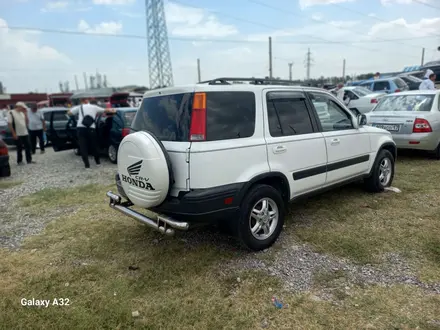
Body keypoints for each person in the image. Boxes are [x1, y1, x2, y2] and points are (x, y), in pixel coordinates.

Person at [68, 99, 116, 169]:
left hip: (81, 128)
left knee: (83, 147)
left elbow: (69, 113)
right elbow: (106, 110)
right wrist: (114, 110)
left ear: (82, 102)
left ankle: (87, 165)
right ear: (88, 102)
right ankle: (97, 162)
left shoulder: (79, 107)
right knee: (94, 145)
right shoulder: (94, 107)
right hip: (91, 128)